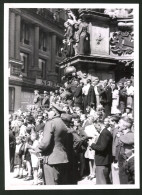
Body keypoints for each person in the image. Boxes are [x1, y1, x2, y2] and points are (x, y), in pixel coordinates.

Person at [35, 103, 69, 185]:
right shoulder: (63, 123)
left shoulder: (50, 123)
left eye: (49, 111)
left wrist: (37, 148)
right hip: (62, 158)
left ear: (54, 112)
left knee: (51, 185)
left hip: (51, 159)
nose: (47, 113)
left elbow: (45, 142)